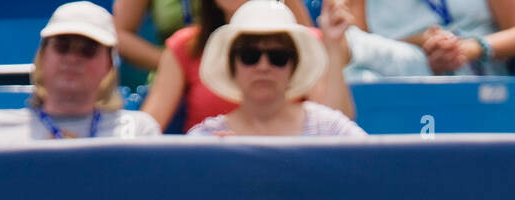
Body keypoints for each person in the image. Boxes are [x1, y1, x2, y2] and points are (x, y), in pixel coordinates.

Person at [143, 0, 356, 131]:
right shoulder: (186, 46)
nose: (263, 66)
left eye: (278, 56)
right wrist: (214, 153)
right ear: (229, 63)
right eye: (248, 55)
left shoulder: (306, 42)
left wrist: (333, 48)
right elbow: (147, 128)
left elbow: (335, 133)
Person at [0, 2, 161, 145]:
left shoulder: (139, 132)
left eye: (88, 50)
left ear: (109, 65)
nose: (73, 58)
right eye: (62, 46)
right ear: (42, 56)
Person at [342, 0, 515, 80]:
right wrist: (420, 44)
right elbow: (352, 48)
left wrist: (468, 49)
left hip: (481, 83)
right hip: (395, 83)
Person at [112, 0, 313, 75]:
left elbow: (309, 40)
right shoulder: (184, 44)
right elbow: (117, 33)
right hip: (181, 69)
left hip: (262, 71)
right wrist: (181, 64)